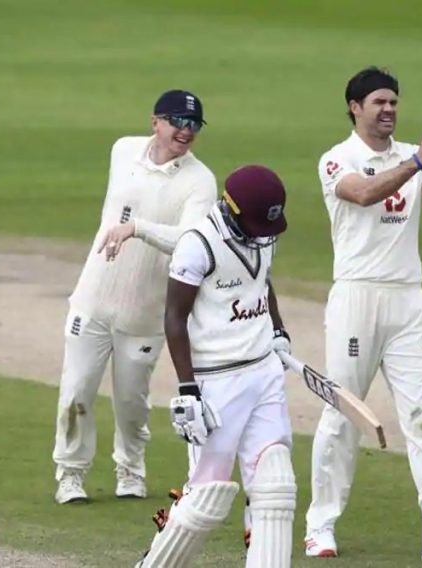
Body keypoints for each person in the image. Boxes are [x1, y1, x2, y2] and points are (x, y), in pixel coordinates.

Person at [303, 66, 422, 564]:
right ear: (355, 108)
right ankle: (319, 525)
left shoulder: (411, 157)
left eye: (394, 103)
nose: (388, 110)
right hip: (357, 299)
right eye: (379, 103)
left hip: (408, 299)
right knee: (345, 413)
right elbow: (364, 193)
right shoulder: (336, 160)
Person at [52, 89, 217, 504]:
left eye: (194, 125)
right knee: (76, 394)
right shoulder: (123, 151)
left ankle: (130, 470)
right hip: (92, 298)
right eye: (178, 121)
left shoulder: (200, 180)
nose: (186, 131)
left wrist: (138, 228)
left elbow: (191, 238)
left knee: (131, 403)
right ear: (155, 122)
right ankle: (70, 475)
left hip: (144, 313)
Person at [136, 165, 295, 568]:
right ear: (232, 209)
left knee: (275, 484)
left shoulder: (262, 235)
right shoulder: (198, 245)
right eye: (258, 223)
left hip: (264, 372)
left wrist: (277, 331)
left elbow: (262, 282)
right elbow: (174, 318)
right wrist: (187, 390)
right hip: (217, 382)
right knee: (206, 497)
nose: (264, 232)